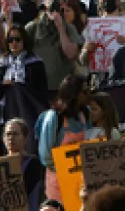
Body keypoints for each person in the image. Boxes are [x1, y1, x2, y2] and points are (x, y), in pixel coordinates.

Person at [38, 74, 91, 202]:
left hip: (81, 183)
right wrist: (66, 169)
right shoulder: (54, 117)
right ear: (73, 94)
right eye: (84, 92)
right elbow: (45, 155)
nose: (88, 94)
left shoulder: (84, 114)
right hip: (59, 183)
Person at [2, 118, 44, 210]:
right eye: (8, 134)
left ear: (25, 138)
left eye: (15, 134)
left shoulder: (33, 163)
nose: (11, 138)